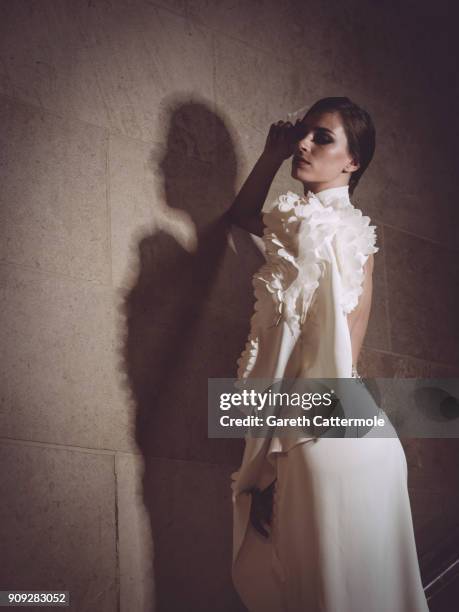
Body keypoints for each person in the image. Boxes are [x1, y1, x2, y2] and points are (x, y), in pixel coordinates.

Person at [225, 97, 430, 611]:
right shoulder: (359, 234)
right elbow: (347, 351)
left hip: (322, 437)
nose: (303, 143)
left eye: (323, 138)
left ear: (352, 162)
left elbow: (290, 350)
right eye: (303, 132)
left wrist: (266, 459)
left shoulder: (313, 225)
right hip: (369, 440)